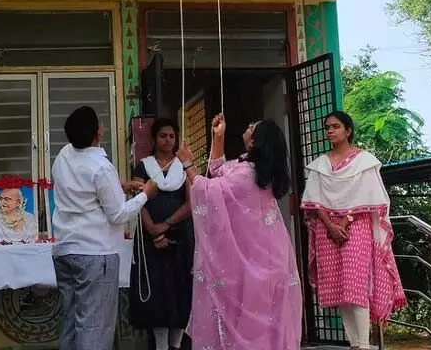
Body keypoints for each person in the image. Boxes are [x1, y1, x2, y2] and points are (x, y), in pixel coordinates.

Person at [175, 115, 301, 349]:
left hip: (254, 264)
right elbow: (219, 170)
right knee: (266, 323)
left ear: (255, 142)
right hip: (267, 260)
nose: (247, 126)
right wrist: (218, 137)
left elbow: (209, 189)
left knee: (250, 325)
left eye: (252, 127)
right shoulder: (253, 170)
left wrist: (188, 165)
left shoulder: (246, 173)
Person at [51, 105, 159, 350]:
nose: (103, 127)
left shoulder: (63, 156)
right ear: (96, 134)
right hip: (94, 254)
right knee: (94, 329)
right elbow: (118, 215)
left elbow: (82, 189)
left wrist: (119, 186)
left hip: (65, 251)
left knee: (70, 323)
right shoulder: (101, 167)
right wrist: (145, 195)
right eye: (99, 124)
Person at [300, 112, 407, 348]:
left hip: (355, 228)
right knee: (339, 288)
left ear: (348, 131)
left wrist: (344, 223)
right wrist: (331, 226)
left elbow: (369, 197)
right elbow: (314, 201)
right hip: (326, 231)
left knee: (356, 285)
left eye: (336, 126)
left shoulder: (364, 161)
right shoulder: (320, 165)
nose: (330, 131)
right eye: (327, 127)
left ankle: (365, 345)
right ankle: (354, 343)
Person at [129, 118, 194, 350]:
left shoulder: (184, 165)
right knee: (157, 292)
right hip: (149, 240)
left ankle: (176, 345)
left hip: (180, 237)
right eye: (163, 136)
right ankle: (160, 346)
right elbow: (138, 200)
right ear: (154, 139)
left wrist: (165, 225)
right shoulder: (143, 166)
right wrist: (153, 231)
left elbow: (191, 201)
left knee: (180, 290)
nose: (167, 140)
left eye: (171, 136)